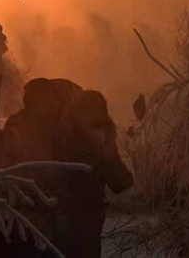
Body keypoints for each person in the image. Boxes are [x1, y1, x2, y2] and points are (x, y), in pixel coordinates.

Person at [51, 90, 135, 258]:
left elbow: (121, 183)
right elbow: (121, 183)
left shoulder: (62, 135)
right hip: (80, 223)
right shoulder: (95, 141)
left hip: (63, 223)